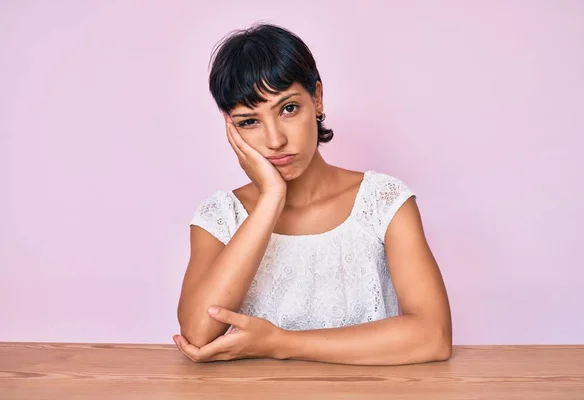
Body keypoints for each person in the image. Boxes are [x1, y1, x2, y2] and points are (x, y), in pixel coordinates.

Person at [173, 22, 452, 366]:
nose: (275, 139)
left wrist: (281, 343)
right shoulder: (220, 216)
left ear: (316, 98)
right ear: (230, 127)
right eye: (249, 121)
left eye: (288, 108)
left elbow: (433, 337)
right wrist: (271, 199)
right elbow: (198, 334)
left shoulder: (383, 202)